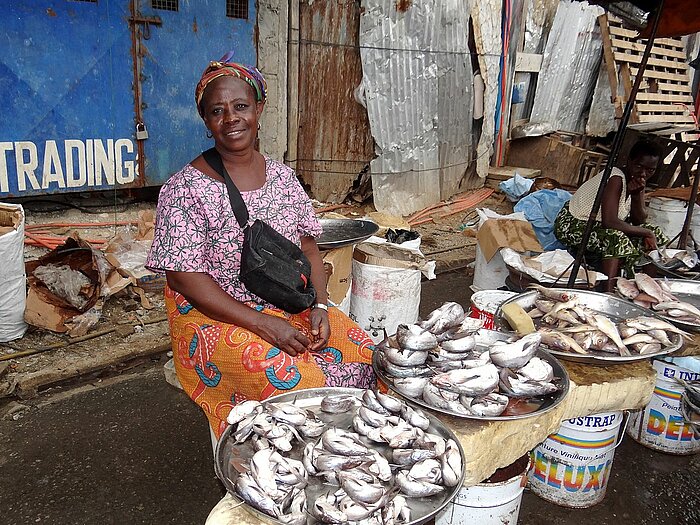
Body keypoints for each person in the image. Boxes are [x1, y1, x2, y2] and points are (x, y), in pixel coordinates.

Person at [146, 53, 376, 439]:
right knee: (296, 381)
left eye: (240, 106)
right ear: (206, 121)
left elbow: (308, 249)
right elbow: (184, 279)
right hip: (213, 315)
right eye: (217, 110)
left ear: (259, 109)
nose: (231, 118)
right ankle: (276, 466)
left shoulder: (283, 178)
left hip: (284, 300)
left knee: (367, 355)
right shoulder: (184, 189)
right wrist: (261, 324)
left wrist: (320, 305)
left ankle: (349, 455)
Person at [554, 139, 668, 290]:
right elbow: (610, 221)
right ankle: (609, 291)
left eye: (650, 170)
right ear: (630, 161)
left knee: (656, 233)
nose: (643, 173)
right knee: (616, 238)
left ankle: (649, 289)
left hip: (598, 223)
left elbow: (639, 219)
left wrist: (636, 194)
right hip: (573, 224)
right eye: (639, 166)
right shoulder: (616, 178)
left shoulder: (638, 180)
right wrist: (646, 232)